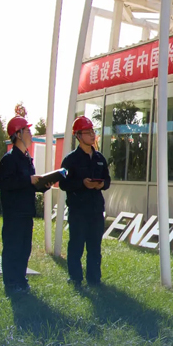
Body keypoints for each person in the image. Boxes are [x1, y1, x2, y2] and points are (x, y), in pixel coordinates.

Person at [60, 116, 111, 287]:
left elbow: (107, 180)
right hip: (78, 210)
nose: (92, 135)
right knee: (76, 245)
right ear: (78, 136)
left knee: (95, 247)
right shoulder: (70, 160)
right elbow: (63, 184)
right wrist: (82, 183)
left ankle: (94, 279)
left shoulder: (99, 158)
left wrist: (102, 184)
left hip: (96, 210)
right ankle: (75, 278)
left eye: (92, 131)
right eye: (87, 132)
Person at [0, 114, 40, 294]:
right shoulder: (8, 160)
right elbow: (8, 184)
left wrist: (41, 184)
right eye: (27, 130)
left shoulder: (27, 158)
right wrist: (29, 180)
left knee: (24, 248)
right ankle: (11, 283)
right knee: (13, 248)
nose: (31, 134)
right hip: (14, 213)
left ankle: (21, 279)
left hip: (26, 212)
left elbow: (28, 183)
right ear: (18, 134)